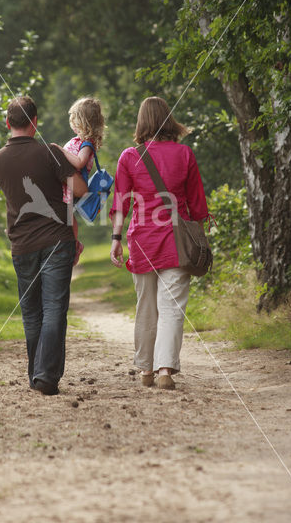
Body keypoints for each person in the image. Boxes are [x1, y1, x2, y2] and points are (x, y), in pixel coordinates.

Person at [109, 96, 209, 390]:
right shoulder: (184, 154)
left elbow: (121, 203)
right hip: (176, 241)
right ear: (169, 121)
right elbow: (197, 204)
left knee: (146, 306)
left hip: (142, 240)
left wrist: (116, 239)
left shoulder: (129, 156)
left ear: (141, 122)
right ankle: (164, 368)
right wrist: (199, 242)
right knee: (172, 308)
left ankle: (145, 370)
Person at [0, 96, 88, 396]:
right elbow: (81, 191)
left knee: (31, 313)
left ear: (8, 123)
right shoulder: (50, 153)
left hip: (21, 245)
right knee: (54, 308)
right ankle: (46, 376)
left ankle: (36, 373)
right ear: (35, 122)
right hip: (57, 241)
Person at [52, 97, 105, 265]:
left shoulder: (87, 143)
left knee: (68, 216)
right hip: (67, 183)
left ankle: (74, 246)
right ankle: (72, 244)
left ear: (83, 122)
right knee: (67, 215)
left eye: (74, 120)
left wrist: (60, 150)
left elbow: (80, 162)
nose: (71, 124)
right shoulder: (80, 141)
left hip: (74, 185)